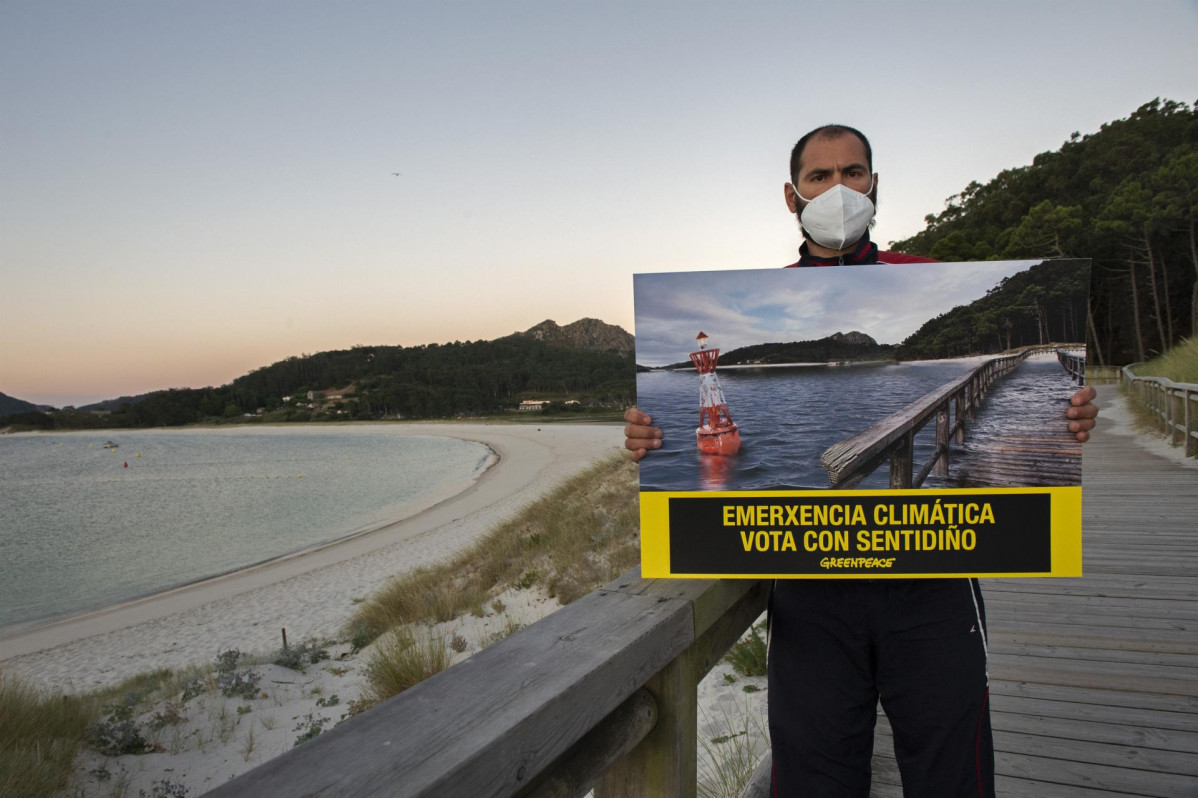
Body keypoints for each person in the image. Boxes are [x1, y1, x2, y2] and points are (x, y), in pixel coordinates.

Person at [623, 124, 1098, 796]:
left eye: (853, 172)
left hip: (934, 576)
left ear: (874, 185)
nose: (838, 189)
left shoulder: (927, 275)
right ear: (792, 196)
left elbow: (1057, 421)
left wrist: (1067, 415)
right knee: (814, 776)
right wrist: (653, 439)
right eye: (819, 177)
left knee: (952, 772)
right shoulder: (767, 293)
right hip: (810, 592)